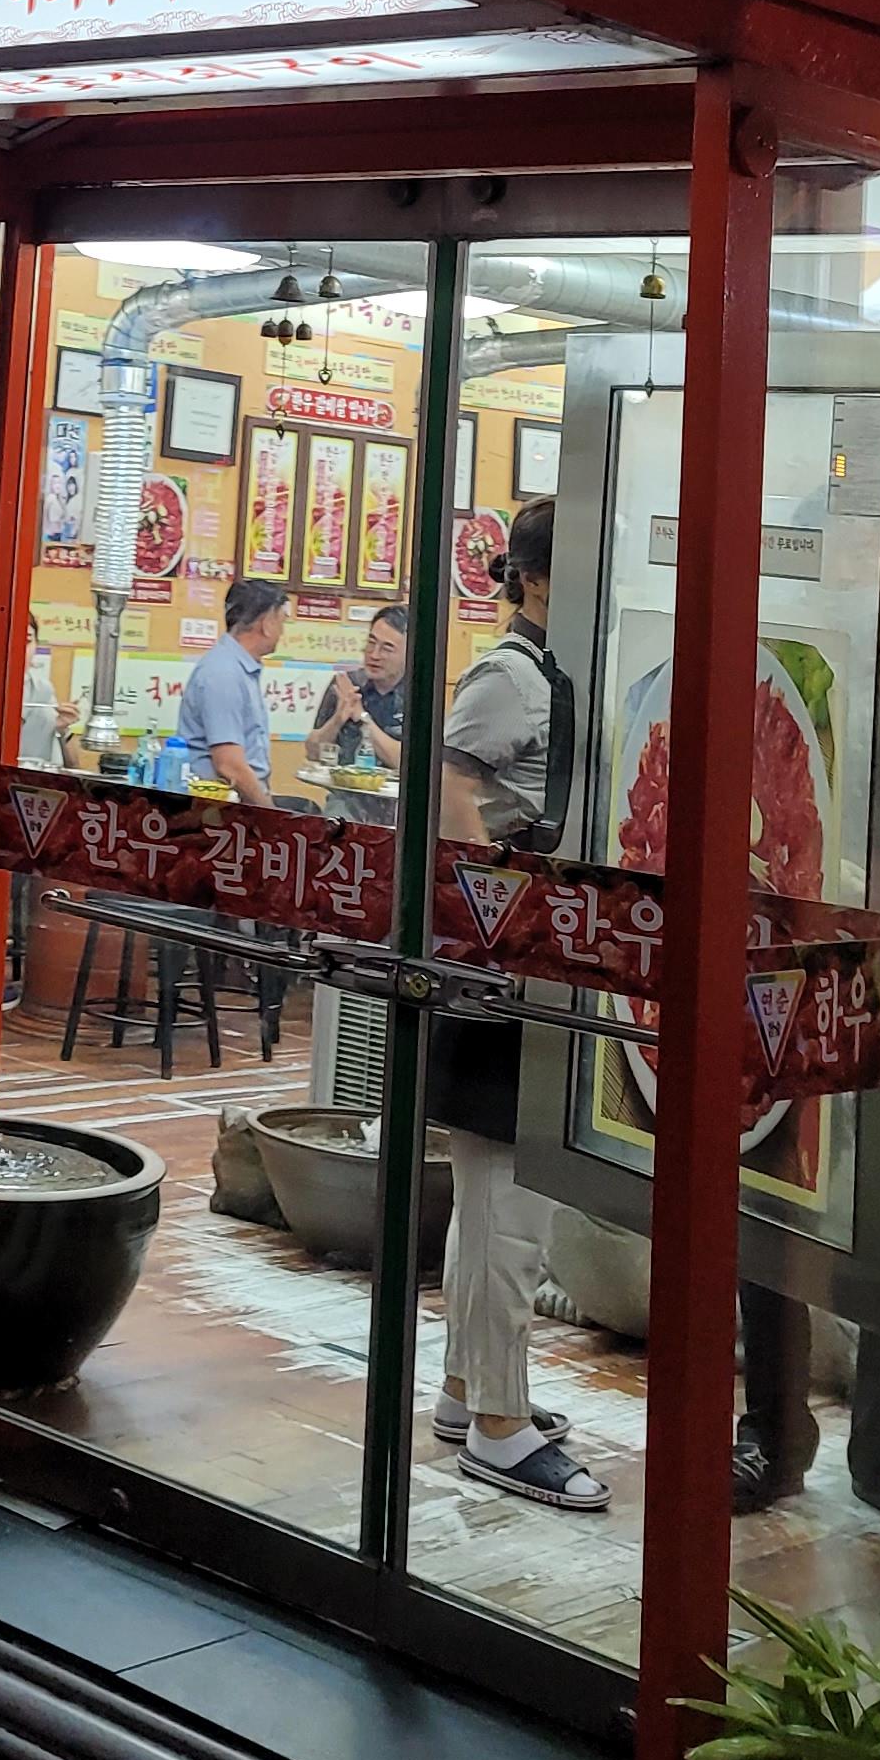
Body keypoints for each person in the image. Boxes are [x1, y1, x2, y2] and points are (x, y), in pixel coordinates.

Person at [431, 498, 605, 1513]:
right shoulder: (512, 674)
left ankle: (468, 1391)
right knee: (509, 1209)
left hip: (526, 959)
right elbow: (450, 787)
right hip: (505, 965)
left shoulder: (561, 673)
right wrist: (495, 915)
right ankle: (500, 1429)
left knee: (489, 1201)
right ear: (533, 578)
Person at [172, 577, 287, 809]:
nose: (283, 632)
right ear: (266, 623)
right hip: (218, 809)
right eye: (281, 621)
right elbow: (229, 765)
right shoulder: (223, 673)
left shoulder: (238, 668)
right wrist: (271, 816)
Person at [310, 603, 410, 818]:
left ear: (409, 654)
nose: (374, 655)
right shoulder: (348, 685)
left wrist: (362, 717)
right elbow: (313, 751)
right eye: (371, 643)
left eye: (387, 648)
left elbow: (407, 763)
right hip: (346, 802)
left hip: (400, 808)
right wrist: (338, 718)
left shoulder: (419, 697)